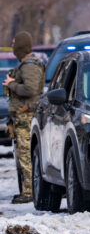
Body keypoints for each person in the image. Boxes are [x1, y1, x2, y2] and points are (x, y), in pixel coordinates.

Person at [2, 32, 44, 204]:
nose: (12, 46)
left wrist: (11, 84)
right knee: (23, 154)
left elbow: (30, 89)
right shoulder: (25, 65)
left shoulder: (29, 66)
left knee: (26, 155)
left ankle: (29, 192)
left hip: (26, 116)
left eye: (14, 43)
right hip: (21, 115)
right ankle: (28, 189)